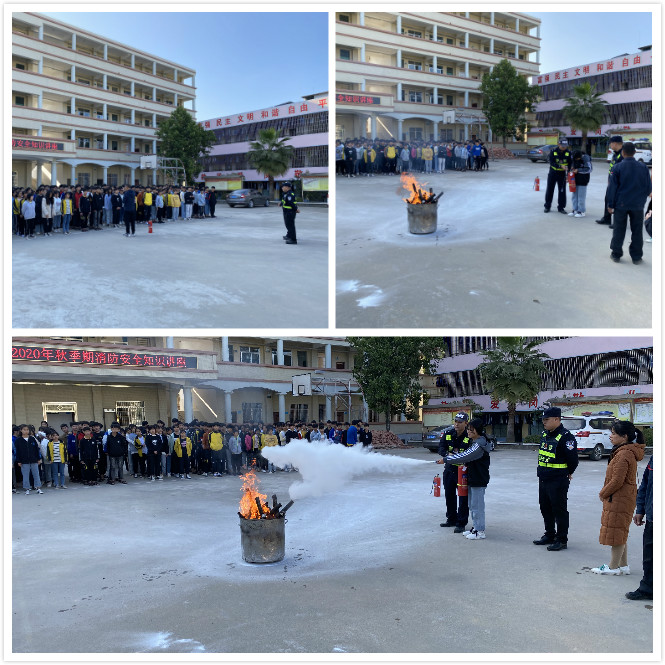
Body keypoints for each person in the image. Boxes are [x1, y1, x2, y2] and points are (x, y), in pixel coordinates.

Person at [590, 420, 645, 575]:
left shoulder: (624, 454)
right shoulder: (625, 451)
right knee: (620, 531)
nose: (611, 436)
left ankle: (613, 567)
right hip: (623, 497)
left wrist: (603, 493)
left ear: (624, 436)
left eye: (614, 433)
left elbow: (617, 481)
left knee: (617, 533)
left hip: (619, 499)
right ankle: (623, 565)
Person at [533, 407, 578, 551]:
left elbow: (573, 460)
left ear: (557, 419)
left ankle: (562, 539)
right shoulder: (545, 434)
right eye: (543, 420)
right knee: (545, 508)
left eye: (547, 419)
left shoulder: (566, 437)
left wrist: (568, 472)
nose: (544, 422)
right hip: (544, 478)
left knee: (559, 510)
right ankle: (550, 534)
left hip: (558, 480)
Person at [442, 417, 491, 540]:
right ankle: (475, 527)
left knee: (477, 506)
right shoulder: (474, 442)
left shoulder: (479, 445)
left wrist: (446, 459)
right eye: (468, 429)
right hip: (472, 478)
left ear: (478, 430)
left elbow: (464, 456)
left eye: (471, 429)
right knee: (473, 505)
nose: (468, 431)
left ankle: (480, 531)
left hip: (478, 479)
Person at [606, 142, 652, 265]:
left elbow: (612, 188)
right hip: (638, 205)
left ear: (623, 152)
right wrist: (642, 200)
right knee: (637, 231)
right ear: (635, 153)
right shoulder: (643, 167)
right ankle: (636, 257)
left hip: (621, 204)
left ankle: (616, 254)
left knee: (619, 229)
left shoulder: (617, 167)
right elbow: (648, 187)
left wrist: (610, 204)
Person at [435, 412, 471, 532]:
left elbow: (470, 454)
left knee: (463, 497)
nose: (457, 424)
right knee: (449, 495)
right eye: (455, 421)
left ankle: (461, 523)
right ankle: (451, 519)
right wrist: (446, 454)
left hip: (463, 471)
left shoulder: (469, 436)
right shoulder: (448, 433)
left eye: (460, 422)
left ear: (466, 423)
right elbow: (441, 448)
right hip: (449, 470)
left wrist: (456, 457)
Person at [626, 455, 653, 600]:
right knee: (650, 556)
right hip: (652, 516)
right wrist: (640, 509)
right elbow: (645, 484)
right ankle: (648, 589)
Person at [596, 135, 623, 227]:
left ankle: (617, 222)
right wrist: (609, 179)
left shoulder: (622, 154)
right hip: (612, 182)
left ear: (615, 143)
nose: (610, 145)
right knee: (608, 199)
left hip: (618, 183)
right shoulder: (615, 154)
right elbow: (612, 168)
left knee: (617, 202)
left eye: (610, 143)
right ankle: (606, 218)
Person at [543, 138, 571, 214]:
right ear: (558, 144)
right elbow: (551, 162)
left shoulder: (568, 153)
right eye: (562, 146)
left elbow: (570, 164)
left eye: (565, 146)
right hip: (553, 173)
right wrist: (560, 166)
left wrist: (568, 175)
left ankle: (561, 208)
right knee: (550, 190)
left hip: (562, 175)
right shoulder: (553, 152)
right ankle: (547, 206)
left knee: (562, 191)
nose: (564, 147)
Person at [15, 425, 44, 494]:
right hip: (24, 461)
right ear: (21, 430)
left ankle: (38, 488)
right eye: (24, 430)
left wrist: (38, 458)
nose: (26, 431)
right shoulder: (18, 440)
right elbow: (17, 451)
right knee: (25, 475)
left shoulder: (32, 438)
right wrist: (18, 461)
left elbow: (36, 449)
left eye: (27, 430)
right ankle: (27, 488)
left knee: (36, 474)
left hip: (33, 459)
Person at [568, 150, 592, 218]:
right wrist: (571, 170)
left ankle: (581, 211)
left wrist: (578, 170)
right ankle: (575, 209)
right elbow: (572, 166)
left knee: (581, 197)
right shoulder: (573, 158)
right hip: (574, 180)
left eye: (577, 159)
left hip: (583, 180)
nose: (576, 160)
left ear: (580, 156)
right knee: (574, 196)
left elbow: (589, 169)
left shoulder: (586, 159)